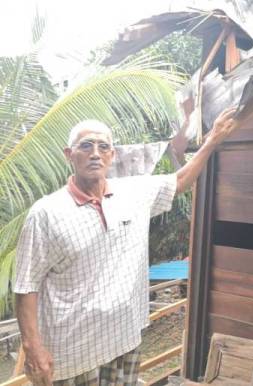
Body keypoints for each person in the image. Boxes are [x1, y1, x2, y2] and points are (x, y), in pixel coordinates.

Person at [14, 107, 238, 386]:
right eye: (86, 145)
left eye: (103, 146)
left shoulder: (133, 193)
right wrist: (33, 349)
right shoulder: (46, 213)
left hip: (124, 338)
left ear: (112, 155)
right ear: (69, 155)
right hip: (73, 354)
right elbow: (26, 286)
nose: (95, 153)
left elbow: (180, 181)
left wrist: (212, 139)